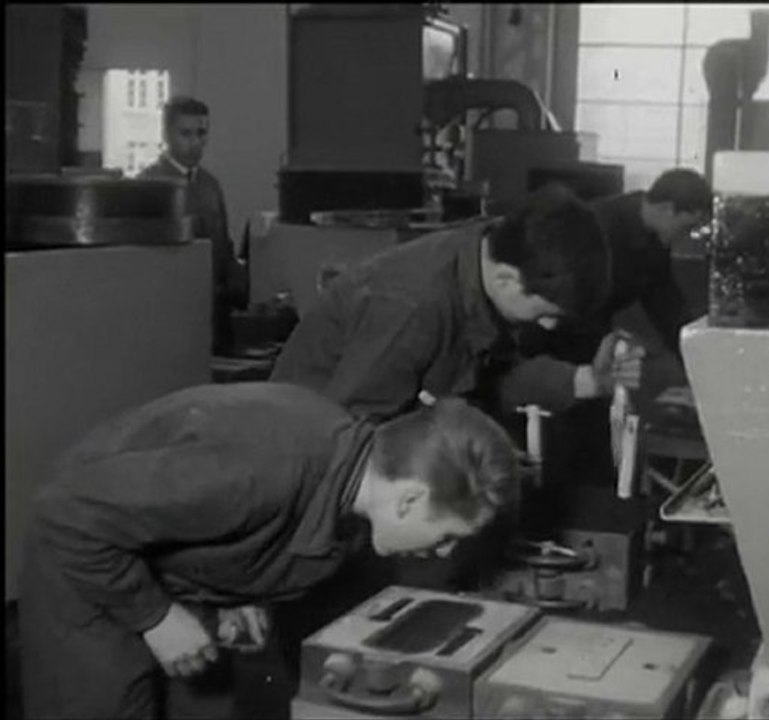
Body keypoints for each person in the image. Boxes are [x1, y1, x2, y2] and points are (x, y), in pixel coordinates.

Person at [18, 384, 518, 720]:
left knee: (208, 704)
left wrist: (243, 588)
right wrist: (155, 617)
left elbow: (263, 527)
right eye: (446, 534)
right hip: (86, 556)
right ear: (410, 498)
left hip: (166, 563)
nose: (442, 551)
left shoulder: (349, 473)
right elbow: (65, 514)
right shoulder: (255, 472)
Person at [270, 183, 643, 422]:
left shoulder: (487, 255)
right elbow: (347, 436)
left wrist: (590, 380)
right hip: (305, 465)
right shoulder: (412, 306)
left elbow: (492, 377)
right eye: (546, 314)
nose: (547, 326)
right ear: (507, 279)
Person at [515, 168, 713, 492]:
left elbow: (665, 305)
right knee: (559, 439)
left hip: (590, 340)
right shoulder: (598, 226)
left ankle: (597, 504)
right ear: (667, 209)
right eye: (686, 226)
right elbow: (562, 298)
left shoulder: (652, 238)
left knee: (595, 436)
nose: (683, 237)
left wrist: (697, 360)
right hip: (551, 339)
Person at [139, 96, 244, 354]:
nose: (195, 142)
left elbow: (223, 243)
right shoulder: (148, 185)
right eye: (185, 133)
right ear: (166, 134)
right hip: (170, 310)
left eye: (202, 133)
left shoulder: (210, 185)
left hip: (215, 309)